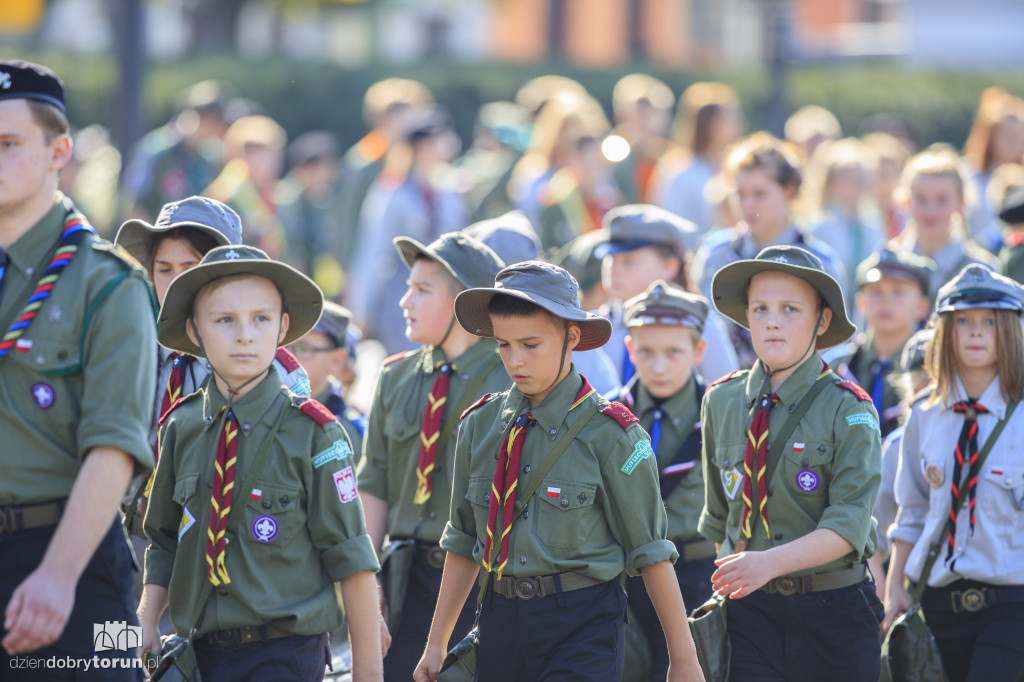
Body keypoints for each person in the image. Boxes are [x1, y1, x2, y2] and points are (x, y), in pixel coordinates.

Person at [413, 260, 704, 682]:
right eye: (504, 345)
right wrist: (436, 644)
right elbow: (463, 540)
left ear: (571, 338)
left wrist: (684, 660)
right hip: (499, 619)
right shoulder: (479, 425)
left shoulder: (612, 434)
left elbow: (652, 552)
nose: (516, 360)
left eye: (531, 344)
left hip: (583, 624)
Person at [138, 245, 385, 681]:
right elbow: (163, 539)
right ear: (194, 330)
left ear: (283, 327)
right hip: (200, 652)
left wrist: (369, 674)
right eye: (225, 320)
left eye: (261, 318)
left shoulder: (314, 432)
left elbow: (352, 558)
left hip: (284, 653)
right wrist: (146, 617)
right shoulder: (181, 426)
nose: (245, 335)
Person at [0, 60, 156, 679]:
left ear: (58, 150)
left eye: (8, 144)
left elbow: (115, 447)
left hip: (68, 553)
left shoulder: (105, 284)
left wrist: (56, 577)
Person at [700, 245, 884, 681]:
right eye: (760, 308)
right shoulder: (721, 401)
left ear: (822, 321)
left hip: (833, 613)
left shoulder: (849, 408)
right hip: (751, 616)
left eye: (790, 308)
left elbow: (848, 525)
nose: (773, 320)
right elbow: (719, 520)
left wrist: (767, 563)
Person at [355, 232, 509, 681]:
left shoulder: (509, 378)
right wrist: (370, 582)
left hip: (482, 583)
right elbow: (374, 481)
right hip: (404, 579)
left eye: (422, 290)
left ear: (465, 303)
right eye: (409, 287)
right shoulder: (395, 375)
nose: (405, 301)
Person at [885, 264, 1024, 682]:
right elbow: (910, 513)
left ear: (1012, 330)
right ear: (945, 331)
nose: (976, 332)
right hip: (936, 601)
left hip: (1010, 604)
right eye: (962, 321)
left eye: (989, 322)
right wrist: (894, 591)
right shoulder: (925, 414)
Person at [617, 280, 716, 680]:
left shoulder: (718, 417)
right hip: (623, 580)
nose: (659, 366)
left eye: (674, 352)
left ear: (698, 351)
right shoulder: (607, 416)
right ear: (629, 350)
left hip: (694, 573)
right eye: (646, 352)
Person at [690, 132, 847, 368]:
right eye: (740, 194)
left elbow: (833, 346)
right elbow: (702, 331)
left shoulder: (821, 261)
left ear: (789, 190)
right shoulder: (716, 254)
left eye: (760, 194)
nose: (748, 205)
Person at [346, 106, 468, 354]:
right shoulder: (393, 190)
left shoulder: (449, 189)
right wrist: (362, 309)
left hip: (446, 296)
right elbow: (373, 249)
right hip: (403, 294)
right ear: (421, 146)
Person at [594, 203, 739, 385]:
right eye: (611, 260)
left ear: (670, 266)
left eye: (628, 261)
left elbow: (726, 395)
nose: (614, 270)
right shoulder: (595, 326)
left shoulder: (701, 325)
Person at [832, 246, 934, 438]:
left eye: (898, 292)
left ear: (922, 307)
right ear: (861, 302)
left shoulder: (933, 370)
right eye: (876, 291)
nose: (886, 301)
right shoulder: (838, 367)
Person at [890, 143, 1000, 299]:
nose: (931, 211)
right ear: (906, 202)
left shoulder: (983, 271)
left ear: (961, 203)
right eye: (921, 199)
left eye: (942, 200)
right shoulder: (888, 265)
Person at [120, 80, 232, 221]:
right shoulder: (158, 150)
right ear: (207, 120)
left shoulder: (206, 159)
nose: (220, 133)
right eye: (218, 124)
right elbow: (133, 206)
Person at [653, 81, 743, 235]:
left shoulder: (731, 166)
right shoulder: (680, 171)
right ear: (710, 125)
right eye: (727, 119)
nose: (736, 124)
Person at [804, 137, 885, 295]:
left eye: (862, 176)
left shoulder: (873, 224)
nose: (858, 182)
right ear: (830, 182)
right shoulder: (819, 227)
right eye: (848, 176)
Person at [288, 300, 366, 463]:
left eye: (303, 349)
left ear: (337, 360)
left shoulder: (343, 434)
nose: (288, 358)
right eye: (283, 346)